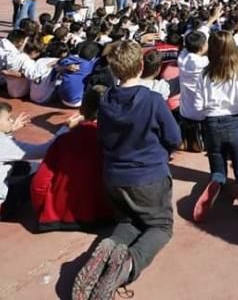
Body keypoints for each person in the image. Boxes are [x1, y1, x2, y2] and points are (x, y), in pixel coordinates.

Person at [73, 41, 181, 300]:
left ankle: (107, 248)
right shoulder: (153, 100)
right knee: (160, 226)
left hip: (114, 177)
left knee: (128, 221)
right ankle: (129, 264)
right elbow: (174, 137)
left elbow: (102, 138)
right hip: (148, 176)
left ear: (113, 70)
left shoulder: (106, 99)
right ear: (141, 66)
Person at [191, 30, 238, 223]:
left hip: (211, 123)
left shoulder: (204, 74)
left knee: (217, 161)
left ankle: (216, 182)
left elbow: (197, 106)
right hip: (235, 121)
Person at [31, 85, 115, 232]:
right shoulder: (116, 141)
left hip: (58, 215)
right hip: (102, 214)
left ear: (82, 110)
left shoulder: (64, 140)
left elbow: (40, 183)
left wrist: (43, 209)